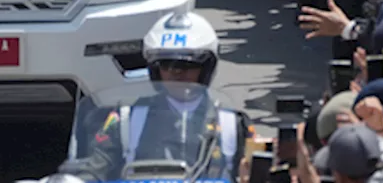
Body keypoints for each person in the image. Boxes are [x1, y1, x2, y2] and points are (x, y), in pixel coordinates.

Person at [63, 12, 250, 181]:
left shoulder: (232, 124)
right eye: (167, 65)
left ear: (206, 68)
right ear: (154, 69)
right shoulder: (126, 119)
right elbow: (95, 164)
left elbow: (256, 167)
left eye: (188, 65)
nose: (177, 72)